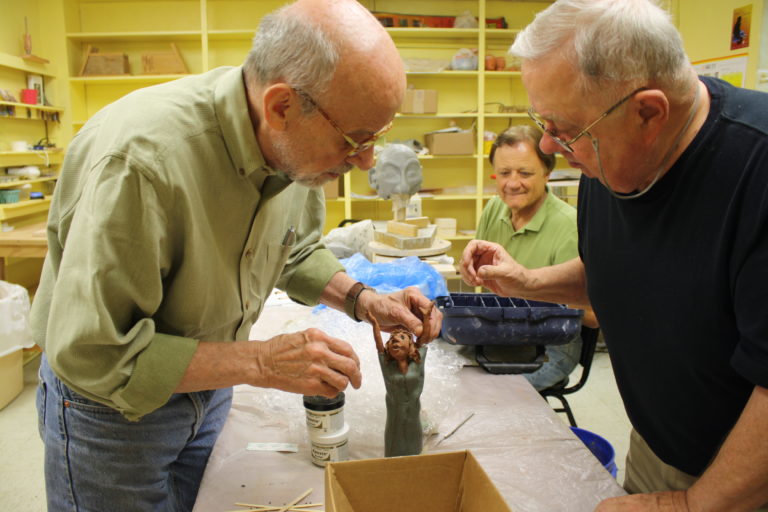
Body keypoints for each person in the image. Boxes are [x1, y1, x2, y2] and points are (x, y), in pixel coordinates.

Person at [30, 1, 441, 510]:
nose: (367, 161)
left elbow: (294, 250)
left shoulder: (296, 152)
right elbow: (95, 351)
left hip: (210, 385)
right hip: (114, 414)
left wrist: (362, 299)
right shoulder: (142, 163)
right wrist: (261, 361)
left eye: (376, 138)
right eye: (356, 140)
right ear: (282, 107)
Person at [460, 0, 768, 510]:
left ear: (648, 111)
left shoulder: (755, 171)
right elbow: (621, 268)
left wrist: (692, 504)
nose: (548, 144)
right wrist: (526, 282)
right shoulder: (611, 149)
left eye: (564, 128)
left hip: (745, 480)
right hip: (657, 447)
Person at [476, 125, 596, 391]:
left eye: (525, 173)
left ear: (547, 173)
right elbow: (483, 277)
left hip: (552, 345)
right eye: (504, 173)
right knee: (448, 365)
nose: (513, 183)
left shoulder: (569, 225)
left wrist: (531, 289)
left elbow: (593, 314)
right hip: (503, 329)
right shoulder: (495, 207)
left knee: (491, 392)